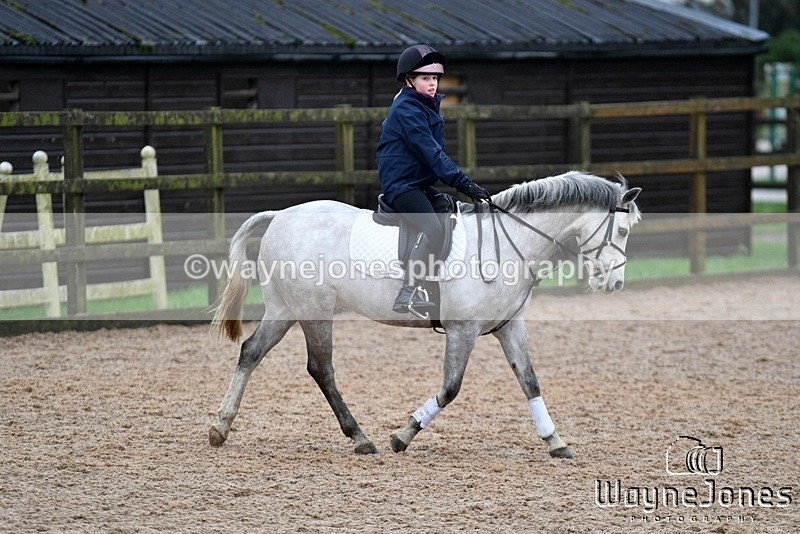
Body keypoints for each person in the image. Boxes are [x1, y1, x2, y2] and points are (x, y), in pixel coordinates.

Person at [376, 44, 491, 315]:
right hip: (401, 186)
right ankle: (409, 292)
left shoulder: (425, 105)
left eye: (435, 78)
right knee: (434, 229)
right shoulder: (407, 109)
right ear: (409, 80)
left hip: (417, 184)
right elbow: (433, 154)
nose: (432, 83)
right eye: (426, 78)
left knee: (451, 214)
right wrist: (465, 184)